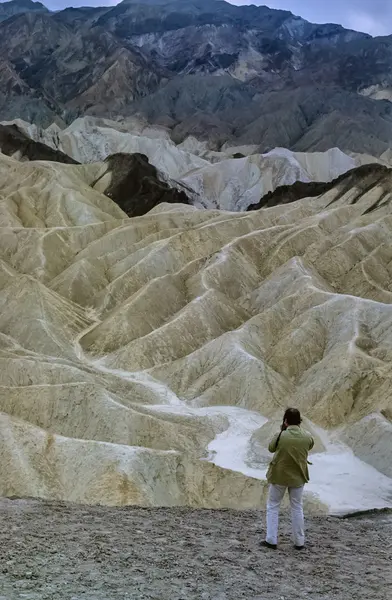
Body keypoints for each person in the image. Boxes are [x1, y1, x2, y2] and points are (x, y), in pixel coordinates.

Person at [262, 407, 314, 551]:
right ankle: (299, 541)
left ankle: (271, 540)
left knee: (273, 506)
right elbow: (310, 446)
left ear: (285, 421)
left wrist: (282, 431)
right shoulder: (307, 436)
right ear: (299, 421)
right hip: (298, 477)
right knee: (297, 507)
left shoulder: (280, 436)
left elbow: (271, 448)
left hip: (279, 476)